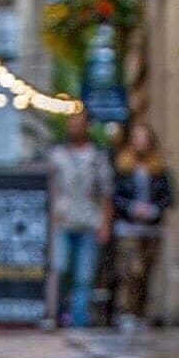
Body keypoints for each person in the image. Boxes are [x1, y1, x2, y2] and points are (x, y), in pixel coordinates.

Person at [50, 111, 113, 328]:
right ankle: (57, 314)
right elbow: (50, 188)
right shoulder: (57, 154)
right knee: (60, 269)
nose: (74, 127)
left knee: (84, 277)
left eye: (79, 124)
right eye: (72, 123)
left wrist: (105, 224)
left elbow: (106, 193)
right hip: (62, 221)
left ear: (87, 127)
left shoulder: (97, 157)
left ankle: (78, 321)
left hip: (89, 222)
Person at [113, 122, 175, 327]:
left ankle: (140, 312)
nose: (140, 141)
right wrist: (131, 208)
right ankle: (127, 311)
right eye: (136, 137)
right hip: (128, 227)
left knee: (147, 271)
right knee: (131, 269)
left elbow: (169, 196)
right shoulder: (122, 167)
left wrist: (154, 209)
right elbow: (115, 195)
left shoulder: (159, 168)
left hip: (152, 228)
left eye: (144, 137)